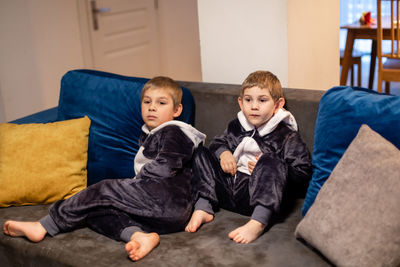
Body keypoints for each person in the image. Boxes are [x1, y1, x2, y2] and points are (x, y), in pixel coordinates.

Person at [3, 76, 216, 261]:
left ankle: (45, 225)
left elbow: (167, 164)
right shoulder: (151, 135)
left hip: (166, 199)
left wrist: (135, 186)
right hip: (161, 214)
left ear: (177, 110)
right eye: (147, 101)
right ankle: (138, 236)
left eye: (161, 103)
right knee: (93, 211)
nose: (152, 107)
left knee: (104, 189)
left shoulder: (173, 132)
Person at [186, 70, 312, 243]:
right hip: (228, 187)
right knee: (200, 152)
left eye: (262, 100)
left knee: (270, 160)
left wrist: (265, 168)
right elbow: (217, 143)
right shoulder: (236, 126)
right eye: (248, 100)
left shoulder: (287, 135)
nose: (254, 106)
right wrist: (224, 154)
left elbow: (303, 172)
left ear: (277, 105)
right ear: (240, 102)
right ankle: (204, 207)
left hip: (256, 196)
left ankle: (258, 222)